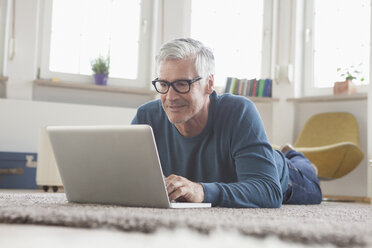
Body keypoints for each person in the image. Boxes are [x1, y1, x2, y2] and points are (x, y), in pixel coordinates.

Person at [131, 38, 322, 208]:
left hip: (283, 175)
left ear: (209, 84)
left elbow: (268, 191)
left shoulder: (239, 111)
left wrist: (201, 191)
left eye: (182, 84)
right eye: (164, 84)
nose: (170, 97)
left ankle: (294, 156)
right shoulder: (146, 117)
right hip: (244, 161)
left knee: (312, 185)